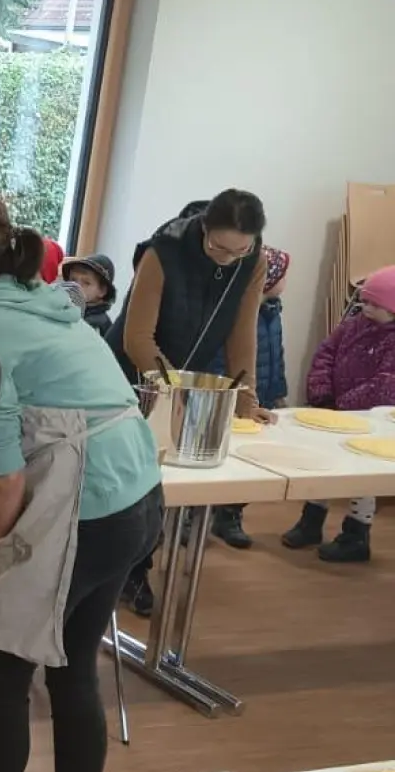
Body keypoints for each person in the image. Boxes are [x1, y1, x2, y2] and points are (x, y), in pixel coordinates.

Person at [0, 184, 164, 772]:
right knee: (72, 665)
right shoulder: (36, 297)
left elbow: (4, 478)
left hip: (87, 503)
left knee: (2, 670)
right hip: (136, 495)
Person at [108, 190, 271, 615]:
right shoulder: (164, 252)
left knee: (164, 479)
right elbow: (137, 337)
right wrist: (171, 391)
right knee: (130, 476)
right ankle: (113, 569)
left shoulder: (253, 262)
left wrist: (246, 397)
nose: (228, 259)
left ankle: (136, 568)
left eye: (241, 250)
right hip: (130, 371)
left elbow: (242, 333)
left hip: (185, 375)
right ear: (203, 229)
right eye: (219, 247)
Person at [281, 265, 395, 563]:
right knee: (322, 467)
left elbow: (386, 382)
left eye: (375, 304)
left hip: (368, 422)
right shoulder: (353, 325)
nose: (365, 307)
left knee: (362, 478)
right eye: (365, 301)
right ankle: (310, 522)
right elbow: (326, 353)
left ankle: (356, 535)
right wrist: (322, 393)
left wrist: (349, 407)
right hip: (335, 413)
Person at [207, 245, 292, 549]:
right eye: (283, 275)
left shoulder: (274, 313)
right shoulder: (238, 312)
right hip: (230, 397)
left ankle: (230, 515)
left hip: (261, 397)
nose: (286, 281)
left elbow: (275, 356)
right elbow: (226, 357)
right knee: (218, 454)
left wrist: (279, 391)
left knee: (247, 460)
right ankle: (195, 512)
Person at [61, 253, 117, 338]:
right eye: (73, 280)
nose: (76, 286)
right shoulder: (74, 312)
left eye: (86, 283)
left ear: (102, 291)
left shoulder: (94, 325)